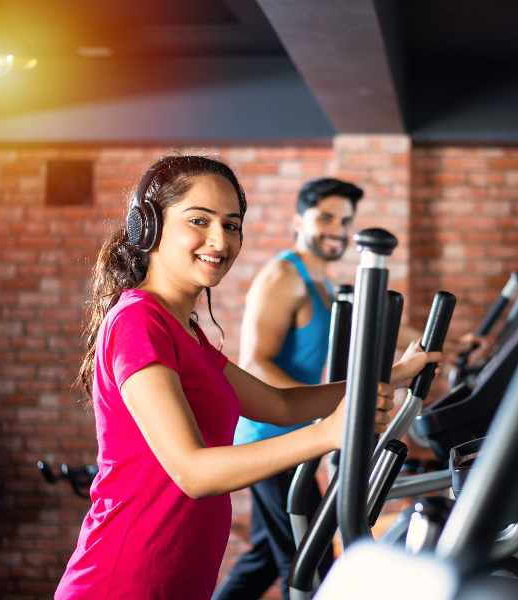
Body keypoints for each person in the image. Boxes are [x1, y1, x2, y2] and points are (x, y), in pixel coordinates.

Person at [54, 156, 438, 600]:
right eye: (199, 220)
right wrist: (331, 433)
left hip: (178, 575)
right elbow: (193, 471)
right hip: (124, 578)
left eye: (232, 225)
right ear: (149, 227)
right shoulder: (139, 322)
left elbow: (280, 404)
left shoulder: (184, 329)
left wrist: (394, 375)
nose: (219, 240)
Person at [214, 178, 362, 600]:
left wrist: (447, 345)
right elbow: (256, 362)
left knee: (264, 558)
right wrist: (324, 410)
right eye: (326, 217)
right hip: (270, 437)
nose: (338, 228)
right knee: (310, 567)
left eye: (345, 221)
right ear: (299, 220)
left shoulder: (324, 284)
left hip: (295, 436)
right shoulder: (284, 276)